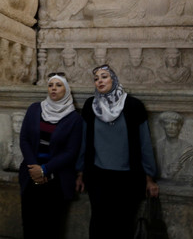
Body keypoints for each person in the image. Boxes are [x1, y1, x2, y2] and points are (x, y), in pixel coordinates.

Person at [76, 65, 159, 239]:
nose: (99, 81)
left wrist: (149, 177)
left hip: (127, 178)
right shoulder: (91, 106)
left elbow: (144, 143)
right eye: (96, 78)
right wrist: (80, 172)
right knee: (99, 225)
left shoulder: (133, 105)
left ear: (114, 79)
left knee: (123, 226)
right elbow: (84, 142)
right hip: (98, 176)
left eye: (104, 76)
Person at [18, 73, 82, 239]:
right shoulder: (34, 109)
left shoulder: (74, 118)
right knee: (30, 224)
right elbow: (24, 139)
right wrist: (34, 168)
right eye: (51, 85)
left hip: (56, 179)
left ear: (66, 90)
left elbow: (71, 151)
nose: (53, 88)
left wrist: (45, 169)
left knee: (51, 227)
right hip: (31, 176)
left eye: (58, 85)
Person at [155, 112, 193, 186]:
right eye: (167, 123)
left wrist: (179, 173)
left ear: (179, 127)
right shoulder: (158, 147)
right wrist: (166, 173)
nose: (170, 127)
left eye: (174, 124)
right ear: (163, 126)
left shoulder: (189, 151)